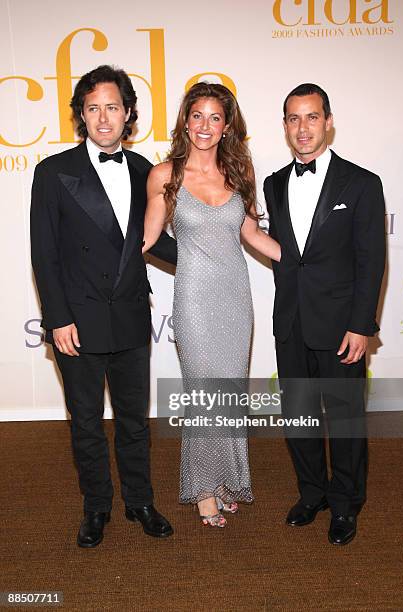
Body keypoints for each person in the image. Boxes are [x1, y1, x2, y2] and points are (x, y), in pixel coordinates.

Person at [30, 65, 176, 547]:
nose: (103, 117)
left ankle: (140, 501)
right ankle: (96, 508)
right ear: (81, 117)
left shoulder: (145, 171)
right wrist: (57, 320)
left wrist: (217, 239)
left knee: (135, 421)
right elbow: (44, 254)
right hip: (80, 319)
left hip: (130, 314)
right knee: (87, 424)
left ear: (129, 112)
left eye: (112, 107)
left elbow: (155, 242)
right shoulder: (53, 173)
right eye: (93, 108)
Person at [143, 82, 281, 527]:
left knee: (229, 392)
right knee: (204, 391)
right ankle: (203, 490)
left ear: (226, 126)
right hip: (195, 299)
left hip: (235, 296)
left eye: (215, 117)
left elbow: (253, 236)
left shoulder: (237, 174)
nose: (205, 125)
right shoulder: (165, 175)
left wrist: (307, 259)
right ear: (186, 121)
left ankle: (224, 481)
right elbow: (147, 238)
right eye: (197, 116)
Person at [264, 83, 385, 545]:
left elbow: (371, 261)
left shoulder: (361, 183)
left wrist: (361, 326)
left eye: (312, 117)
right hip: (291, 322)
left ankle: (347, 502)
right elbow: (286, 254)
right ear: (285, 126)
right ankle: (311, 492)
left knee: (346, 419)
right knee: (298, 416)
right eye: (293, 118)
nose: (303, 128)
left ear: (328, 121)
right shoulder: (274, 184)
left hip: (341, 327)